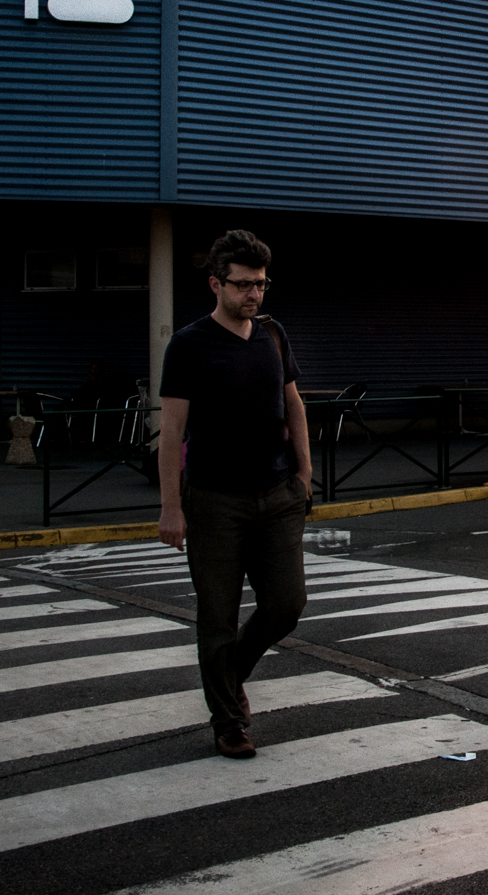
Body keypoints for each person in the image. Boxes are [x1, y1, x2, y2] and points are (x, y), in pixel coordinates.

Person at [157, 229, 312, 760]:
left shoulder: (272, 335)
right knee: (217, 616)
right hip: (214, 500)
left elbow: (294, 404)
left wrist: (305, 475)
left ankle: (232, 674)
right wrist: (171, 507)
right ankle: (228, 721)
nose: (254, 294)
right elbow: (172, 431)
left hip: (277, 495)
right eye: (243, 285)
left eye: (261, 285)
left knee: (287, 605)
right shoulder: (189, 344)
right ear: (215, 285)